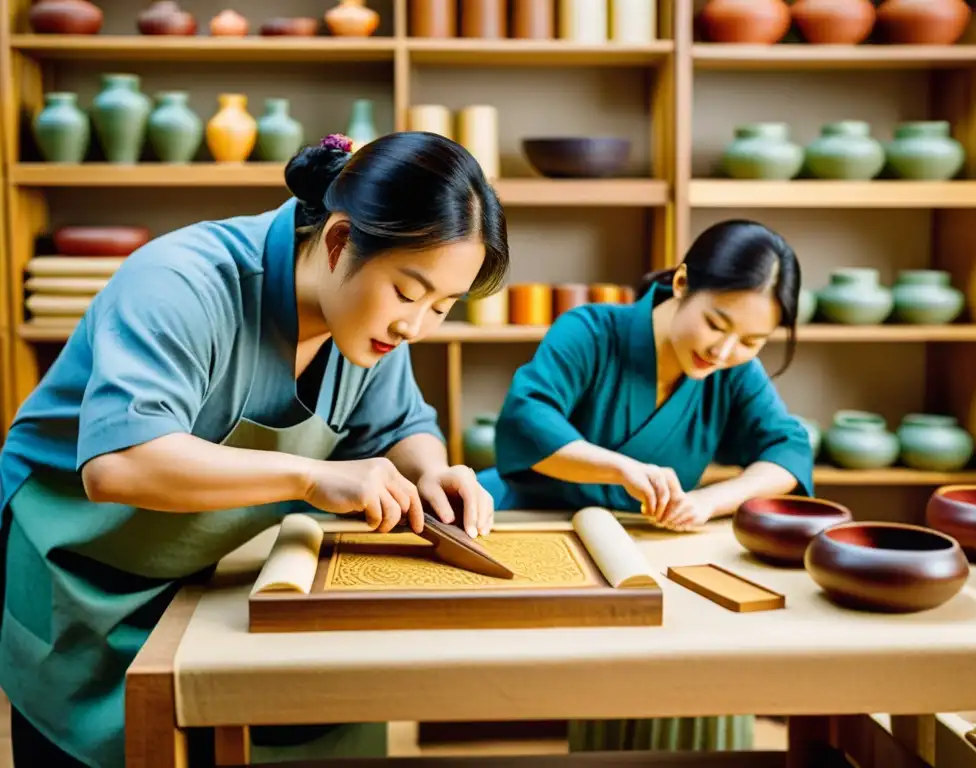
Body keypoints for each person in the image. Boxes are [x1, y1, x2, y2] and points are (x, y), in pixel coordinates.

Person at [0, 130, 509, 768]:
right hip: (82, 572)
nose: (415, 326)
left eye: (442, 306)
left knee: (321, 709)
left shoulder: (368, 327)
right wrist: (312, 479)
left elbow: (400, 428)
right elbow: (120, 464)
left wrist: (434, 472)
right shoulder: (183, 281)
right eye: (408, 293)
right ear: (339, 240)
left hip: (205, 580)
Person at [478, 219, 813, 753]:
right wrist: (618, 468)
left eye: (751, 341)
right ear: (682, 283)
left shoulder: (731, 371)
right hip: (530, 525)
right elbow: (525, 418)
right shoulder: (591, 331)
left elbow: (789, 451)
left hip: (638, 545)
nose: (724, 351)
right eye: (715, 323)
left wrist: (707, 502)